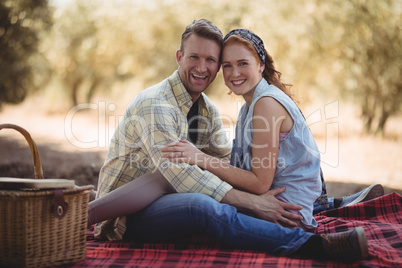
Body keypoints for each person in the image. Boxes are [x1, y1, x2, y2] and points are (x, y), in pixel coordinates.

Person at [90, 20, 370, 261]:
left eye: (211, 60)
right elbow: (180, 174)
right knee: (200, 206)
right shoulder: (156, 105)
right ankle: (313, 246)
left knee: (195, 186)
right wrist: (253, 202)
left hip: (165, 194)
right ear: (179, 57)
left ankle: (322, 204)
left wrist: (236, 184)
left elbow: (225, 162)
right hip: (126, 218)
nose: (203, 68)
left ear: (259, 66)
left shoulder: (208, 108)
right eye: (194, 58)